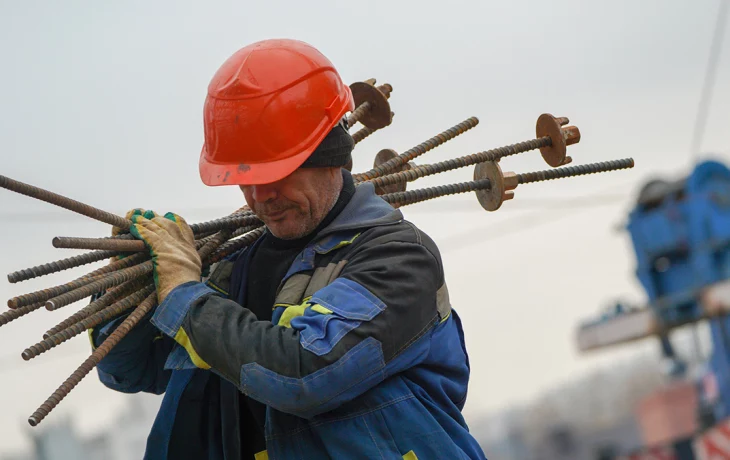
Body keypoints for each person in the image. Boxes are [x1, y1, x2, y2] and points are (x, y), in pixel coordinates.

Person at [92, 38, 487, 460]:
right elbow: (129, 371)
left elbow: (305, 373)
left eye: (276, 174)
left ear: (331, 154)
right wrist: (127, 294)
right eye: (246, 177)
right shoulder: (227, 269)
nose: (261, 198)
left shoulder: (398, 259)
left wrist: (185, 298)